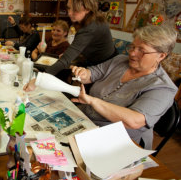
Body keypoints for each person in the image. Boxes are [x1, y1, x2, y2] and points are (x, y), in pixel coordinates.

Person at [25, 25, 178, 149]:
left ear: (161, 55)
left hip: (119, 141)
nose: (132, 54)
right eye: (132, 47)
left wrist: (93, 101)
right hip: (86, 122)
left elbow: (134, 121)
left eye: (141, 50)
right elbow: (92, 74)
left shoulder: (163, 88)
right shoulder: (119, 61)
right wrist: (83, 73)